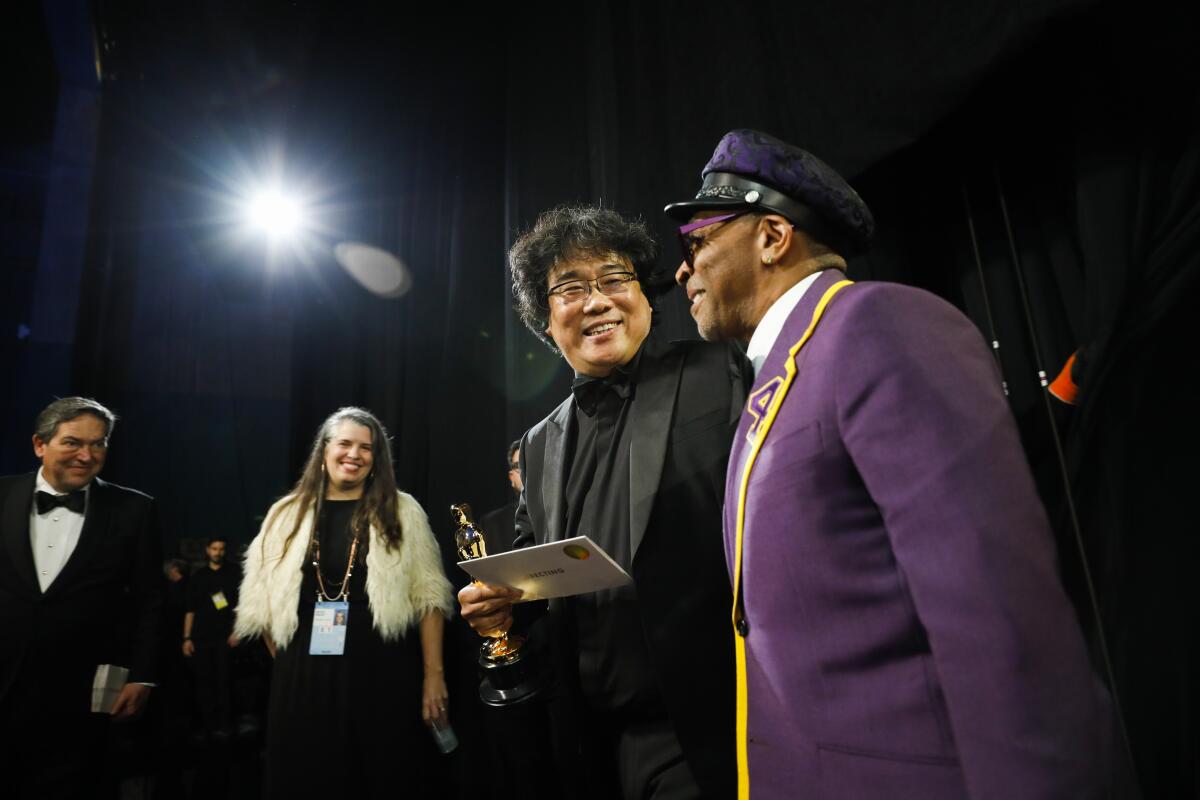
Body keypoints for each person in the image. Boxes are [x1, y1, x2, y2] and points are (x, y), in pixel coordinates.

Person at [665, 129, 1115, 799]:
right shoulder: (778, 378)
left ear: (772, 237)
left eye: (696, 241)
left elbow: (999, 620)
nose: (681, 269)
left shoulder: (877, 326)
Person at [458, 206, 749, 799]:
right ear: (546, 318)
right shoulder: (539, 443)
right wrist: (500, 603)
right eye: (570, 288)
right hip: (591, 744)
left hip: (713, 727)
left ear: (645, 296)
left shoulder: (720, 372)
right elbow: (531, 566)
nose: (597, 301)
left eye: (615, 279)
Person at [234, 406, 454, 799]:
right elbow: (261, 605)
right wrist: (290, 664)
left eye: (366, 448)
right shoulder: (284, 514)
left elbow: (430, 598)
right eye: (345, 443)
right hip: (302, 679)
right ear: (324, 450)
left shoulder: (403, 511)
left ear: (376, 460)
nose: (354, 454)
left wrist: (433, 675)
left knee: (381, 776)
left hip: (382, 670)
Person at [0, 396, 163, 799]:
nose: (86, 455)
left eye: (99, 444)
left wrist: (142, 675)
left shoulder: (135, 509)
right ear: (40, 444)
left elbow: (150, 599)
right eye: (73, 442)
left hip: (83, 690)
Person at [182, 536, 241, 740]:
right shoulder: (199, 576)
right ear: (207, 550)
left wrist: (238, 631)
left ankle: (227, 725)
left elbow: (244, 605)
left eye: (221, 548)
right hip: (201, 637)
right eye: (214, 548)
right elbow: (190, 609)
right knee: (204, 682)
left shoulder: (235, 573)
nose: (218, 552)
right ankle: (209, 725)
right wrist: (187, 638)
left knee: (225, 681)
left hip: (226, 636)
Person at [477, 440, 522, 555]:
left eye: (531, 463)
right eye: (520, 465)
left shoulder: (562, 516)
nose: (526, 471)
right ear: (511, 477)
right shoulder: (492, 527)